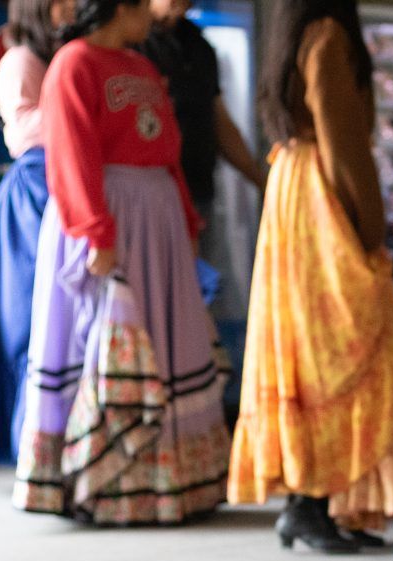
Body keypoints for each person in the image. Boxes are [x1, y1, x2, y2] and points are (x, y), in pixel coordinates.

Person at [12, 0, 230, 525]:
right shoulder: (74, 63)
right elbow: (71, 154)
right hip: (110, 218)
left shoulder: (141, 66)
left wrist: (185, 219)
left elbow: (168, 152)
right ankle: (98, 479)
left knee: (160, 341)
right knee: (100, 343)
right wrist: (95, 232)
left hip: (156, 224)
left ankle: (166, 483)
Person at [228, 0, 393, 555]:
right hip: (323, 200)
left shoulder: (295, 32)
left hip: (295, 190)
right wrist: (369, 225)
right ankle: (312, 502)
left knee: (302, 351)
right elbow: (345, 144)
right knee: (338, 349)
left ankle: (316, 502)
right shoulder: (330, 35)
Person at [0, 0, 75, 473]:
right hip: (33, 197)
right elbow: (24, 130)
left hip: (68, 186)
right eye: (62, 1)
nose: (73, 8)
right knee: (26, 325)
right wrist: (83, 109)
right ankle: (29, 450)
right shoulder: (18, 60)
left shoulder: (67, 51)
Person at [137, 0, 265, 261]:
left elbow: (220, 123)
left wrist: (262, 180)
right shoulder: (130, 45)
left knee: (202, 291)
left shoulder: (198, 44)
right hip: (149, 201)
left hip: (199, 194)